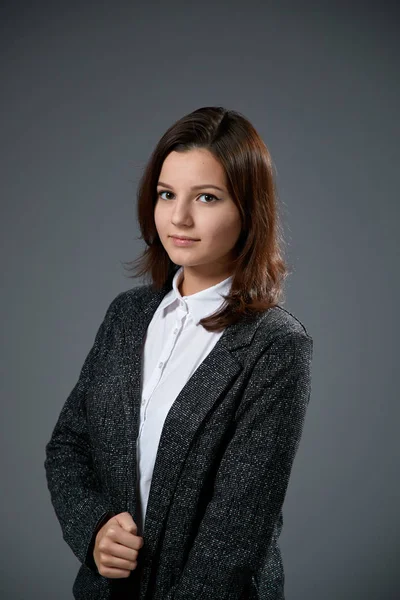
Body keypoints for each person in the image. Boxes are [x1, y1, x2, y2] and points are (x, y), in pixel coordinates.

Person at [44, 106, 313, 600]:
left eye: (206, 197)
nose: (179, 217)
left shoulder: (276, 346)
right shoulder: (127, 316)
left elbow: (234, 536)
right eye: (167, 195)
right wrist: (95, 529)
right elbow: (68, 447)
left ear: (250, 210)